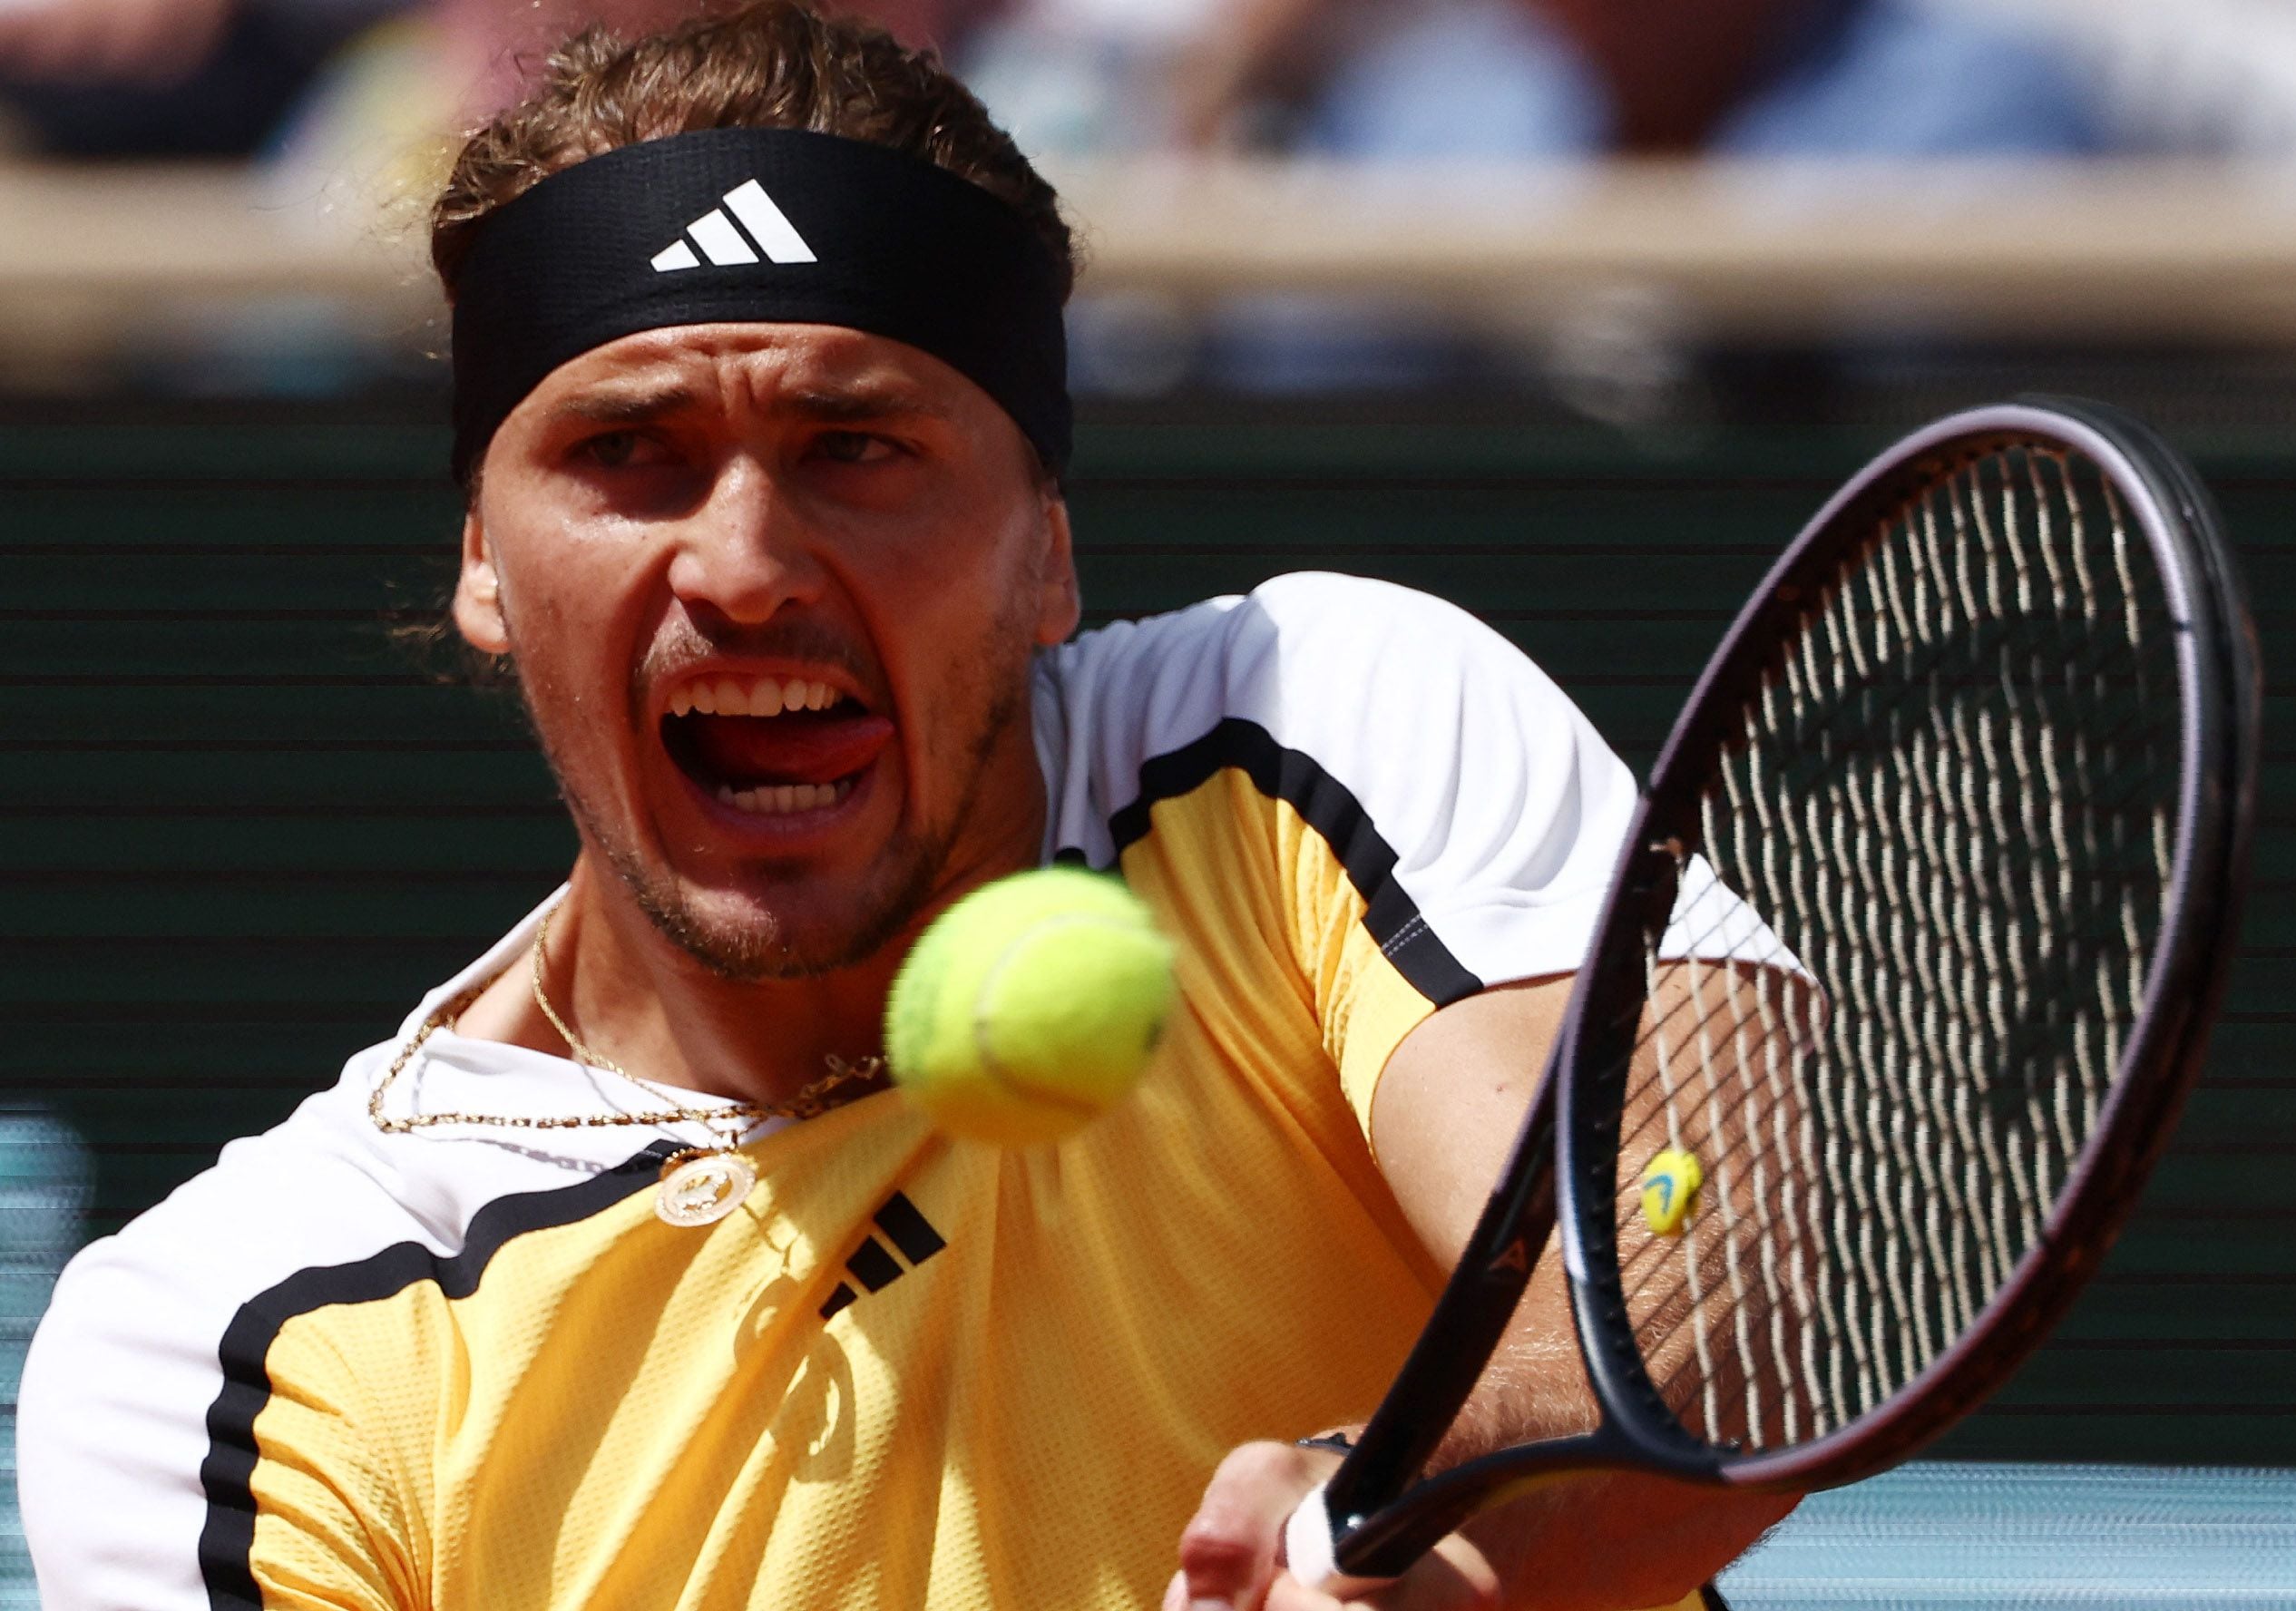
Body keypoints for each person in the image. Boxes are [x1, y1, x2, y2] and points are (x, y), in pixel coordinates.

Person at [17, 5, 1797, 1607]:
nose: (743, 561)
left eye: (854, 446)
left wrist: (1417, 1548)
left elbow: (1702, 1291)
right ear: (486, 565)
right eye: (625, 451)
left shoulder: (1311, 723)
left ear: (1047, 558)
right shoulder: (219, 1351)